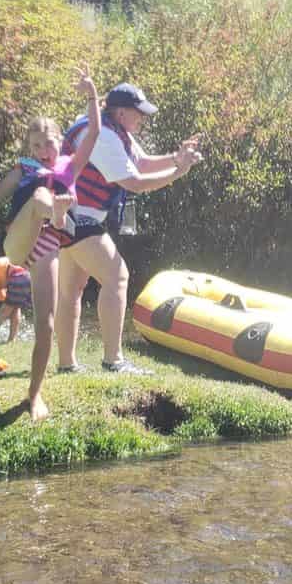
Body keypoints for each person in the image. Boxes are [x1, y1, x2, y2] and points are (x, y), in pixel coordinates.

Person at [0, 68, 101, 419]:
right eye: (36, 145)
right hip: (19, 241)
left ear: (61, 141)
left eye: (48, 143)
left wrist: (91, 95)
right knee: (45, 194)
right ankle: (58, 214)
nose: (43, 150)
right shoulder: (25, 169)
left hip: (46, 247)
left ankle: (35, 395)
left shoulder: (70, 166)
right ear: (29, 149)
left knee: (45, 324)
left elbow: (95, 133)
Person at [54, 83, 202, 376]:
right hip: (78, 218)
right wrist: (178, 173)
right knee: (117, 277)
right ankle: (113, 360)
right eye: (139, 114)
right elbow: (134, 182)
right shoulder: (104, 136)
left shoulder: (113, 130)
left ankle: (67, 364)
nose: (142, 119)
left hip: (68, 217)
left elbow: (142, 164)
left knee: (72, 290)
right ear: (121, 112)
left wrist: (176, 158)